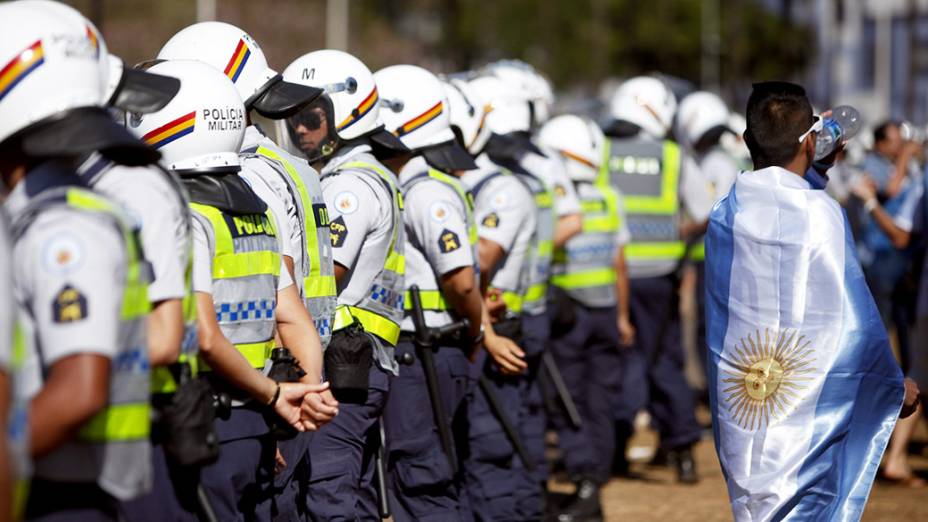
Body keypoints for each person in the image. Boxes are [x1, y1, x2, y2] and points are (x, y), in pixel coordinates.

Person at [704, 80, 920, 520]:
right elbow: (853, 320)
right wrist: (892, 386)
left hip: (746, 404)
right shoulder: (821, 214)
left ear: (747, 140)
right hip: (806, 412)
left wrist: (810, 165)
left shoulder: (726, 213)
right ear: (811, 143)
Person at [129, 59, 331, 522]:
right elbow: (293, 316)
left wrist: (275, 396)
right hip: (255, 426)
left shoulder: (186, 213)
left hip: (202, 419)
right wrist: (303, 395)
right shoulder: (253, 212)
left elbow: (205, 335)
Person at [0, 4, 163, 519]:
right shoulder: (42, 214)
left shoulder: (61, 231)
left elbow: (79, 389)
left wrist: (5, 457)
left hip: (58, 497)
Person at [280, 49, 408, 520]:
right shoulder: (369, 174)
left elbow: (326, 273)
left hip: (346, 360)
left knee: (329, 491)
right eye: (294, 118)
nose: (299, 129)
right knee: (352, 492)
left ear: (346, 115)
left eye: (311, 118)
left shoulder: (347, 188)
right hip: (360, 358)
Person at [374, 64, 483, 521]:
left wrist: (477, 330)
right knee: (418, 473)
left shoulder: (425, 193)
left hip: (428, 352)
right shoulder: (412, 185)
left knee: (423, 477)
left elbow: (460, 281)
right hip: (424, 352)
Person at [601, 75, 714, 483]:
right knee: (665, 360)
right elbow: (705, 210)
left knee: (618, 360)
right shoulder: (672, 156)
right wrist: (672, 236)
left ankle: (615, 446)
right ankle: (682, 448)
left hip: (608, 277)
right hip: (660, 278)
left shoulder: (600, 151)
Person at [448, 74, 537, 521]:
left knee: (490, 449)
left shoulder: (502, 189)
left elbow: (478, 262)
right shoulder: (453, 185)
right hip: (466, 330)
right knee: (461, 453)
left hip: (495, 332)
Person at [539, 114, 632, 521]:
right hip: (606, 310)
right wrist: (624, 316)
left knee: (569, 400)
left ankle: (585, 478)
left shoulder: (556, 203)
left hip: (568, 314)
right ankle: (599, 471)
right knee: (600, 399)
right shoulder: (610, 196)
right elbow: (619, 263)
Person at [675, 90, 739, 377]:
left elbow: (716, 210)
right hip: (709, 254)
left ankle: (715, 385)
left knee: (710, 325)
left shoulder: (717, 163)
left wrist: (687, 229)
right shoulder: (717, 160)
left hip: (713, 255)